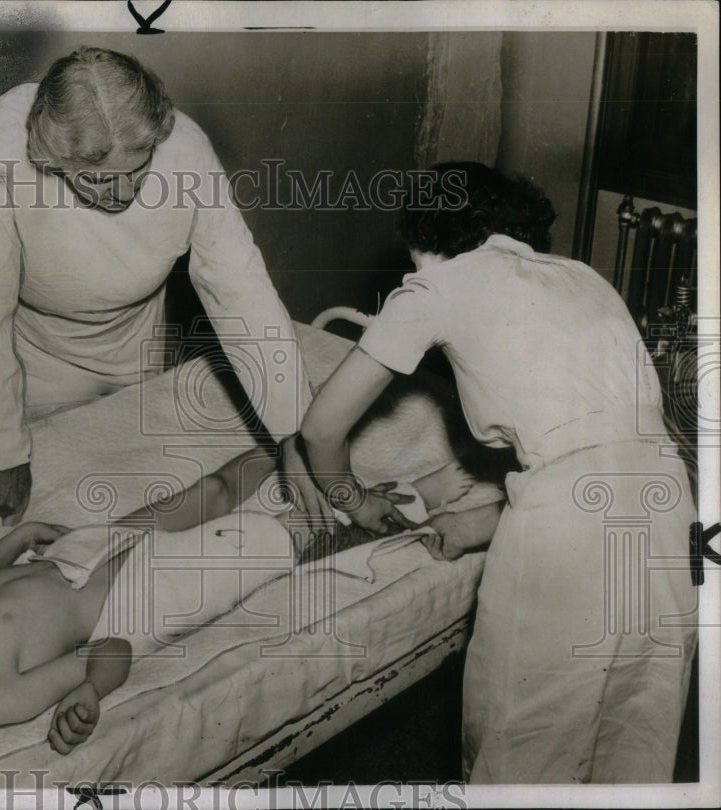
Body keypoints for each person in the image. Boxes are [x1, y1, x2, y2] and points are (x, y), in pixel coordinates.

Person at [0, 438, 488, 789]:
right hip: (142, 596)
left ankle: (307, 446)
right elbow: (109, 650)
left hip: (82, 551)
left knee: (219, 485)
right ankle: (416, 501)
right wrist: (90, 693)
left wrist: (9, 545)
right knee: (284, 539)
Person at [299, 161, 698, 783]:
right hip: (672, 511)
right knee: (636, 744)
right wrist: (481, 521)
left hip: (567, 536)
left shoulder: (436, 286)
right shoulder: (584, 277)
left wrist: (352, 501)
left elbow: (321, 429)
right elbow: (602, 453)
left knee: (523, 753)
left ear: (427, 237)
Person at [0, 46, 311, 525]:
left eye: (136, 172)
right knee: (63, 508)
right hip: (38, 356)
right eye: (95, 180)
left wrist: (299, 435)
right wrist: (3, 449)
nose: (120, 195)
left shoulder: (186, 151)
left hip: (137, 339)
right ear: (53, 159)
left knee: (139, 490)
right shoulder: (1, 156)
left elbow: (242, 292)